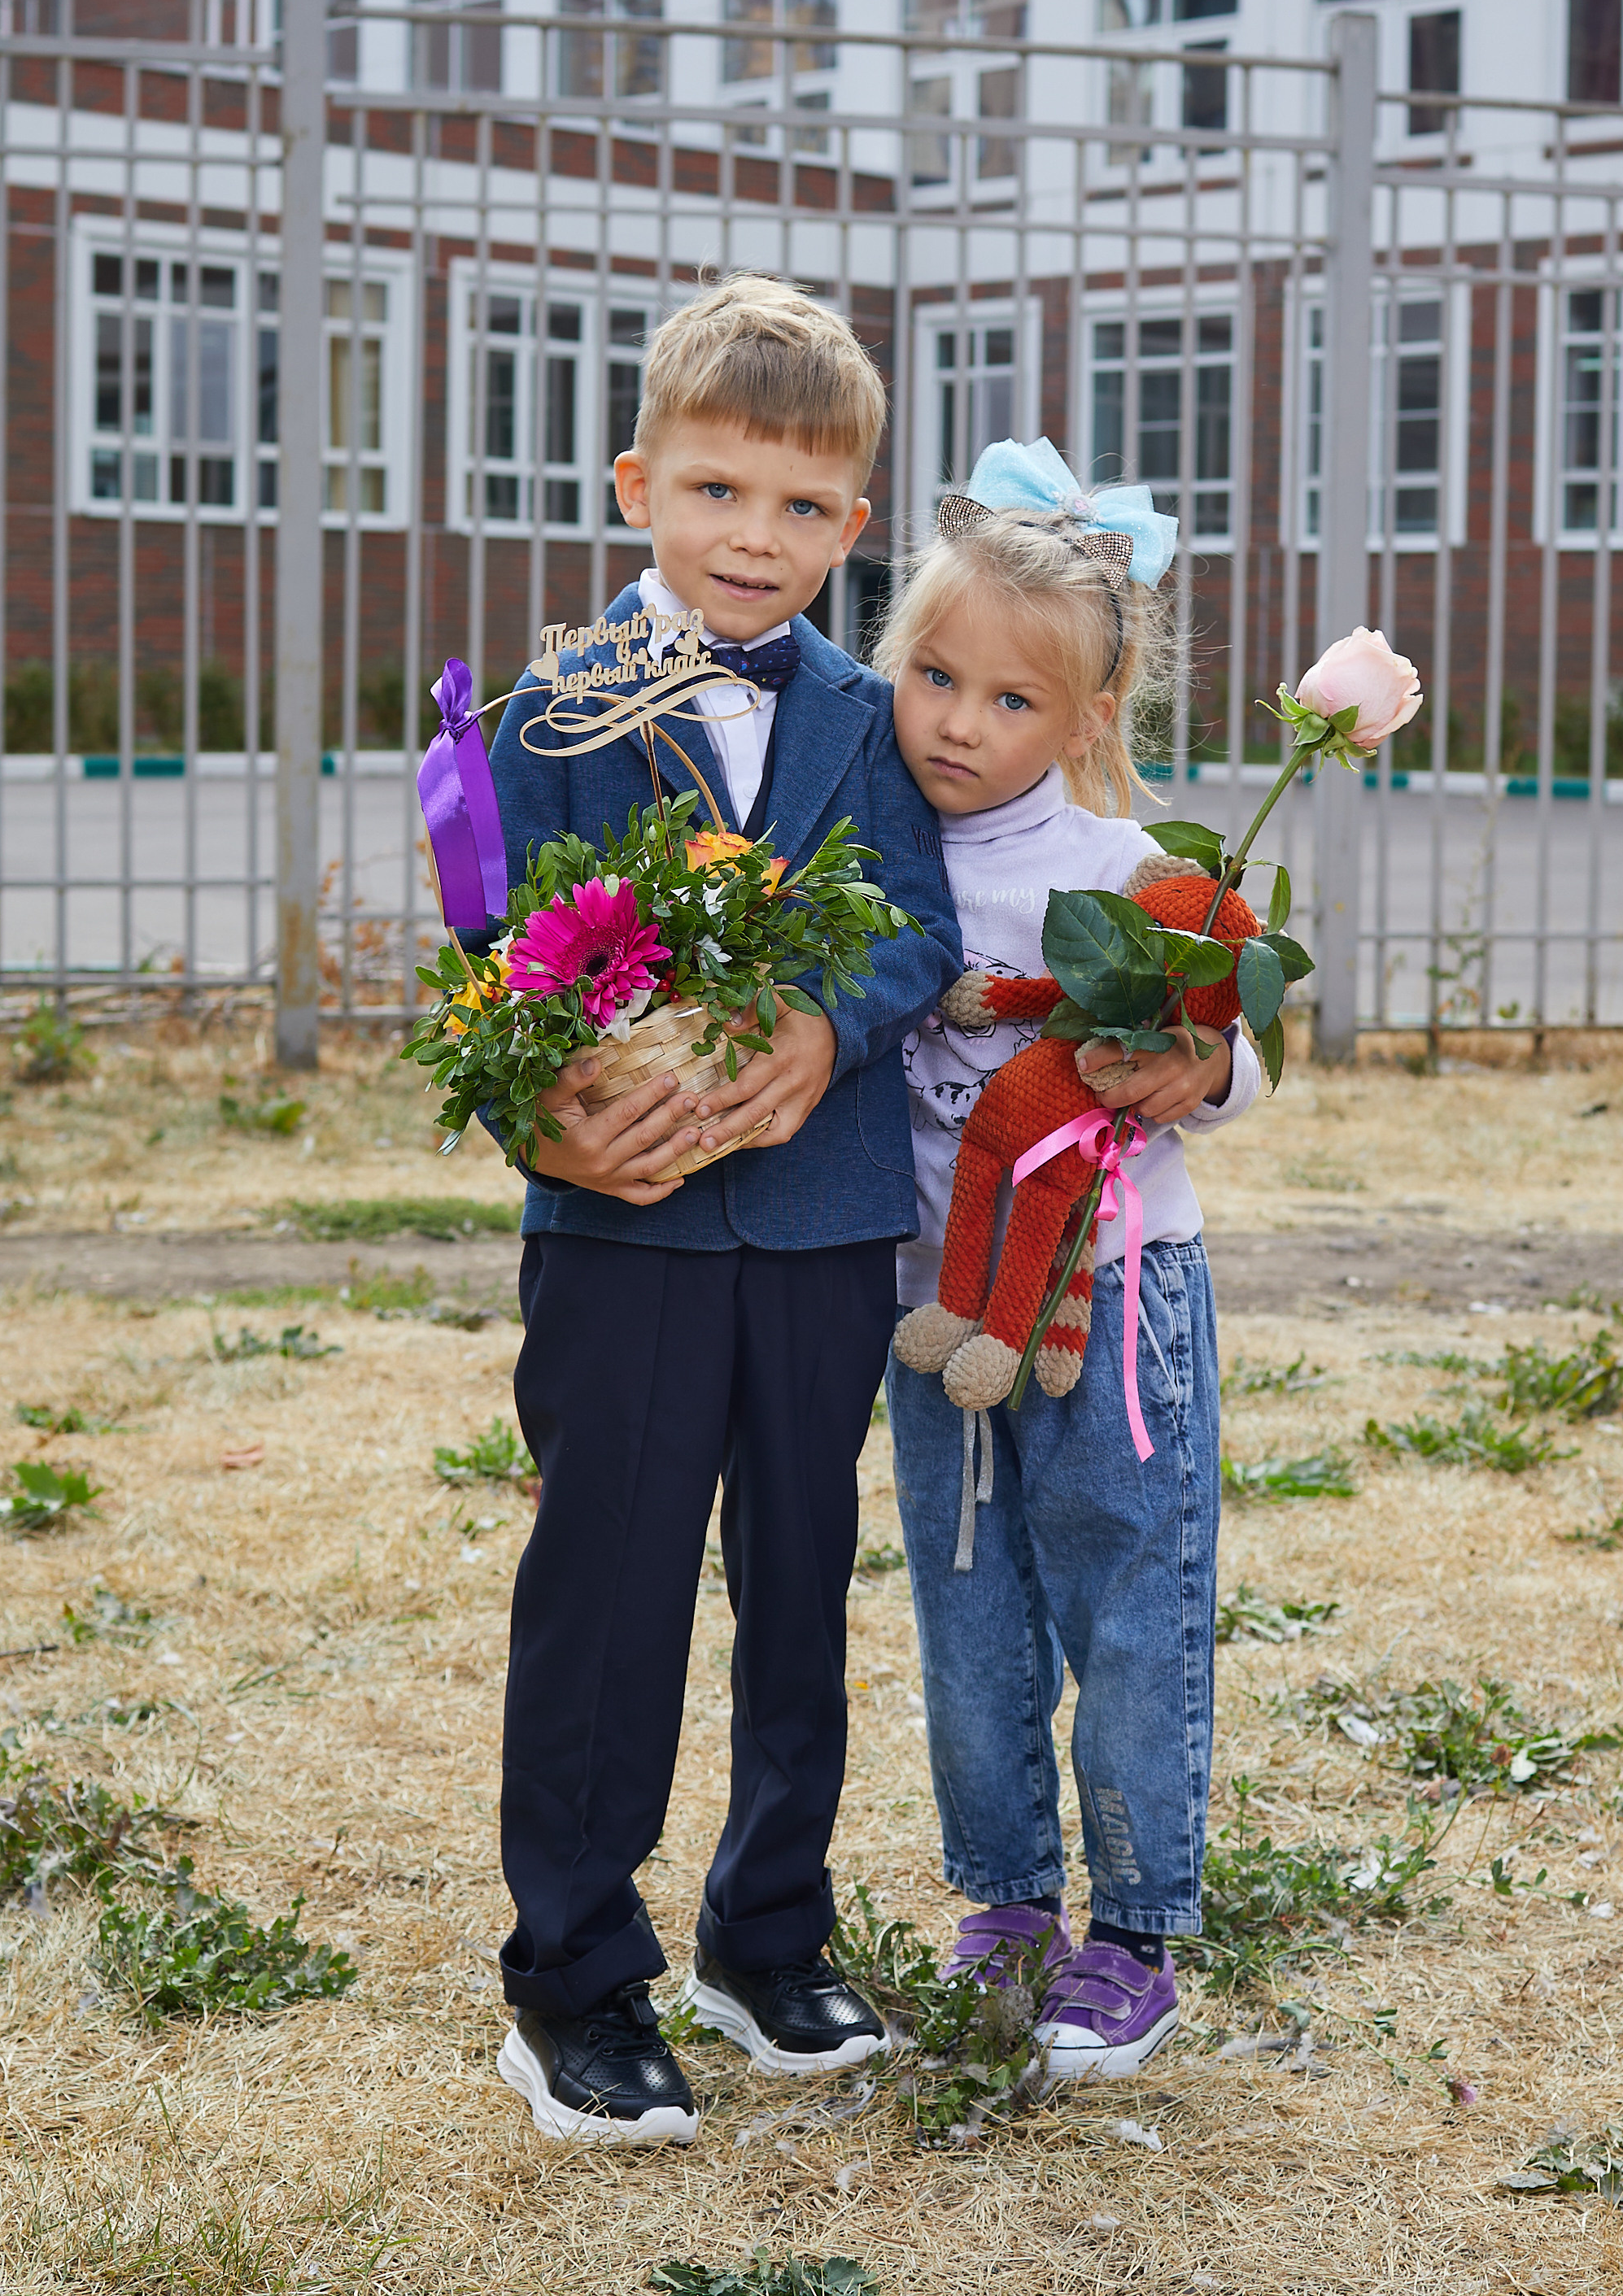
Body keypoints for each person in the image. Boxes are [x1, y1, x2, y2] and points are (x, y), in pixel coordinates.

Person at [485, 272, 962, 2145]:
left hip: (826, 1222)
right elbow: (492, 950)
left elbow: (916, 922)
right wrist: (549, 1125)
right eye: (712, 493)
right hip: (632, 1224)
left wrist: (827, 1021)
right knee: (606, 1591)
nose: (750, 540)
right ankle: (572, 1977)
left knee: (795, 1583)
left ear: (851, 526)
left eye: (795, 506)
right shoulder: (550, 707)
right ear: (634, 489)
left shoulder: (864, 708)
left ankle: (766, 1932)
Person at [878, 442, 1260, 2080]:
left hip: (1108, 1308)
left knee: (1126, 1605)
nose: (960, 722)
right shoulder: (867, 853)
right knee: (968, 1621)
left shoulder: (1117, 877)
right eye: (933, 677)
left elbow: (1236, 1060)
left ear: (1087, 722)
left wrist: (1198, 1071)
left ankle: (1137, 1932)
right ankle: (1008, 1905)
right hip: (939, 1313)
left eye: (1011, 702)